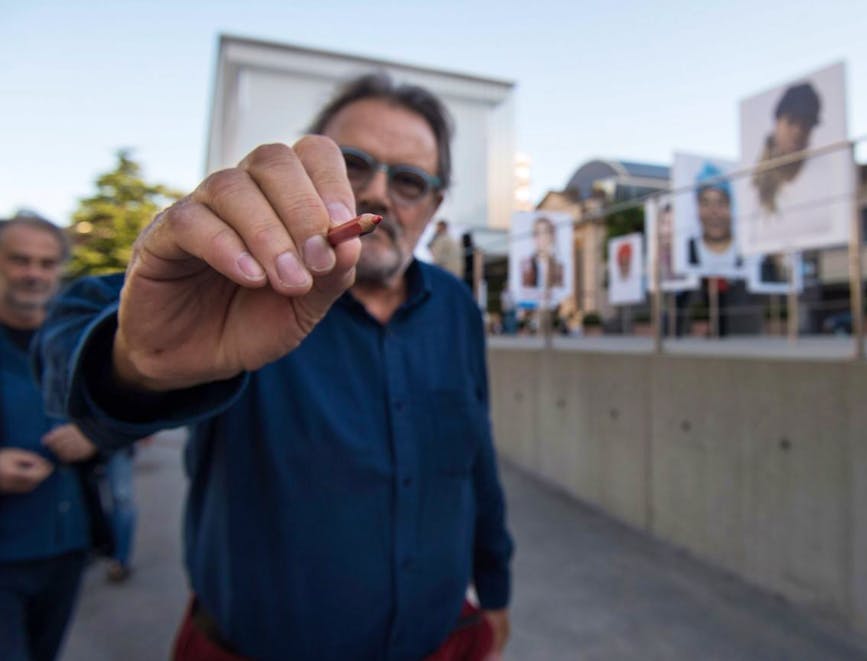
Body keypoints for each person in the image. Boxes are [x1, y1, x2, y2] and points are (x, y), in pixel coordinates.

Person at [34, 73, 513, 660]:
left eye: (410, 181)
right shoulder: (238, 283)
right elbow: (72, 326)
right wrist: (134, 363)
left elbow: (476, 457)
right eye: (354, 165)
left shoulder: (456, 308)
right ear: (311, 173)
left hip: (441, 641)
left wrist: (495, 587)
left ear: (434, 206)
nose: (379, 195)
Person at [0, 213, 100, 661]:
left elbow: (122, 413)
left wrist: (96, 435)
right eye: (19, 260)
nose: (34, 274)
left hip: (65, 544)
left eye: (46, 263)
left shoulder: (76, 341)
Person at [751, 82, 821, 215]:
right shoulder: (755, 184)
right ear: (777, 122)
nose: (798, 132)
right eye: (792, 121)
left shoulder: (822, 175)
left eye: (806, 125)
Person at [687, 162, 744, 275]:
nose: (714, 212)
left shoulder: (745, 251)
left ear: (730, 206)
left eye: (720, 202)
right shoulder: (688, 250)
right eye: (706, 203)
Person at [103, 446, 136, 583]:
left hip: (115, 444)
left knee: (121, 501)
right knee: (119, 501)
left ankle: (119, 560)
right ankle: (117, 559)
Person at [520, 216, 564, 289]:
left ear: (552, 236)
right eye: (537, 233)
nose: (541, 237)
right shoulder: (525, 265)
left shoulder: (558, 267)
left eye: (545, 232)